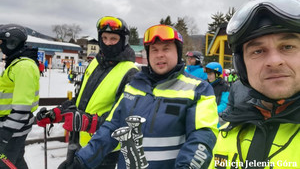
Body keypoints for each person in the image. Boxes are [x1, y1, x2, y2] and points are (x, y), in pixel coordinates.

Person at [58, 24, 219, 169]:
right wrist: (82, 161)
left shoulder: (199, 89)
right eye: (154, 50)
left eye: (166, 48)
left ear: (178, 52)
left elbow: (202, 138)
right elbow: (111, 128)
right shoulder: (134, 86)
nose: (159, 55)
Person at [210, 0, 300, 168]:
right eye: (258, 51)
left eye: (288, 47)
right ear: (242, 65)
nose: (274, 61)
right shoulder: (228, 131)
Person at [36, 16, 139, 169]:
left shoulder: (130, 72)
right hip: (78, 141)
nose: (107, 43)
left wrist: (87, 122)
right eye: (104, 38)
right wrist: (57, 112)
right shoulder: (95, 63)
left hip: (103, 150)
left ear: (123, 41)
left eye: (113, 39)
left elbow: (123, 119)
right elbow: (80, 100)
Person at [0, 24, 40, 168]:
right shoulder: (15, 63)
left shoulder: (23, 67)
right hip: (10, 127)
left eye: (2, 43)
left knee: (6, 165)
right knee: (15, 162)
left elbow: (22, 107)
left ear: (12, 43)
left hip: (12, 130)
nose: (1, 47)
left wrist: (5, 133)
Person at [204, 62, 229, 127]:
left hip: (216, 120)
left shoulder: (224, 87)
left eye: (210, 74)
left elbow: (224, 105)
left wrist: (209, 111)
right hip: (203, 119)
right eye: (207, 74)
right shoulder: (204, 85)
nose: (208, 76)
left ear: (217, 74)